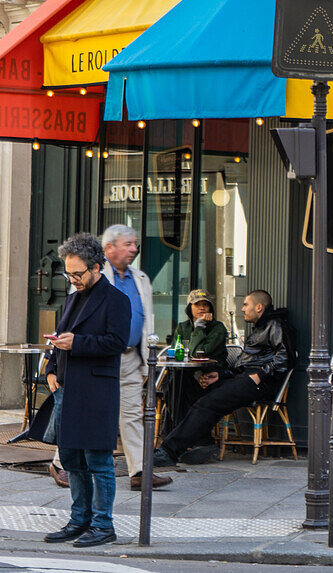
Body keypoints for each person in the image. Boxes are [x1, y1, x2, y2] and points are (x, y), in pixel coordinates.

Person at [42, 232, 130, 548]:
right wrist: (51, 369)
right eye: (69, 273)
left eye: (78, 273)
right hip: (67, 388)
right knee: (71, 458)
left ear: (96, 267)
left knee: (99, 461)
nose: (73, 279)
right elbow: (62, 337)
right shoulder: (72, 297)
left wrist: (76, 343)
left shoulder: (117, 300)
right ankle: (79, 520)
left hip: (96, 391)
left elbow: (117, 343)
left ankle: (103, 525)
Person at [152, 290, 295, 466]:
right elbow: (245, 365)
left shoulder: (275, 325)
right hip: (244, 378)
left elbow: (285, 359)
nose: (242, 309)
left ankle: (169, 451)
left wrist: (261, 374)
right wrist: (219, 375)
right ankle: (203, 443)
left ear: (259, 307)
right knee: (192, 386)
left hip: (258, 383)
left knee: (209, 401)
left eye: (245, 305)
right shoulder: (261, 326)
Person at [99, 225, 171, 490]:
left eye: (134, 244)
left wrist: (145, 361)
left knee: (131, 415)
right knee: (92, 412)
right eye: (128, 244)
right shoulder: (95, 274)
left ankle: (140, 471)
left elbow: (146, 321)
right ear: (110, 248)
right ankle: (61, 463)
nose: (134, 249)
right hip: (101, 357)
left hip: (130, 357)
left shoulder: (140, 278)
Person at [167, 289, 230, 420]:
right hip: (189, 374)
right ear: (190, 307)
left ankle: (188, 431)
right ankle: (176, 428)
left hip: (212, 375)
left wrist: (199, 327)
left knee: (185, 386)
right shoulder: (182, 327)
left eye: (205, 304)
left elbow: (197, 353)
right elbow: (176, 353)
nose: (202, 308)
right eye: (197, 304)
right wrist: (197, 374)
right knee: (173, 383)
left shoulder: (218, 328)